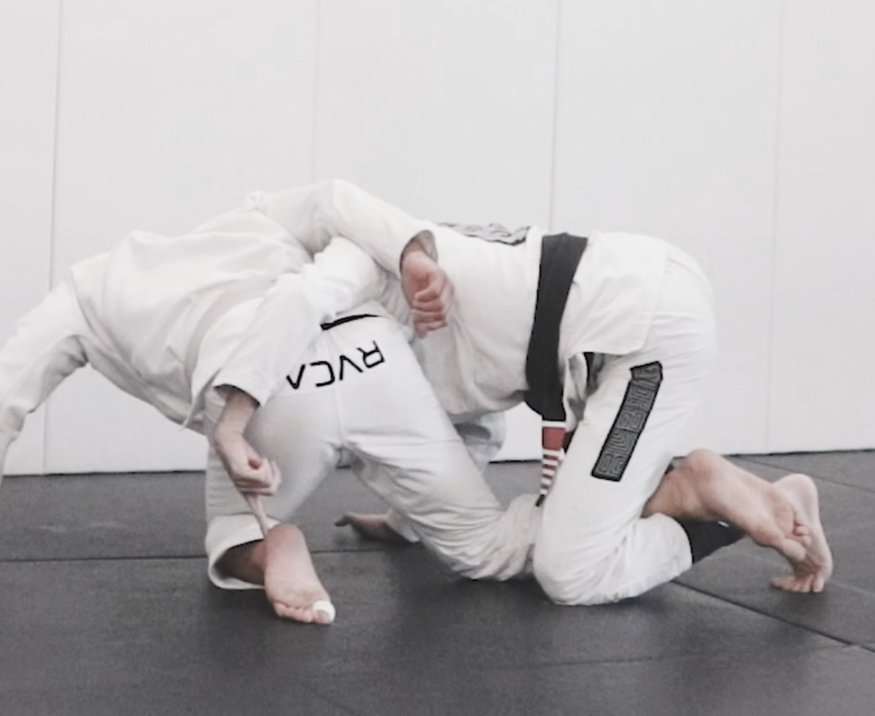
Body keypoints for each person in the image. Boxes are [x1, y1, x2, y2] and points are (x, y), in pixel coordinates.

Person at [0, 204, 533, 623]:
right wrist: (414, 252)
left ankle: (268, 544)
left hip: (261, 381)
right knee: (487, 549)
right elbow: (343, 206)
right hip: (369, 347)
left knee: (233, 534)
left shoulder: (83, 296)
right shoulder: (255, 222)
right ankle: (571, 520)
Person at [247, 180, 833, 605]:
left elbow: (331, 198)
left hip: (640, 334)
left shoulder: (358, 284)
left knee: (572, 573)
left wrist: (412, 257)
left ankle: (717, 503)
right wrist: (406, 522)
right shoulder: (381, 301)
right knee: (578, 524)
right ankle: (702, 493)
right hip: (631, 286)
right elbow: (469, 431)